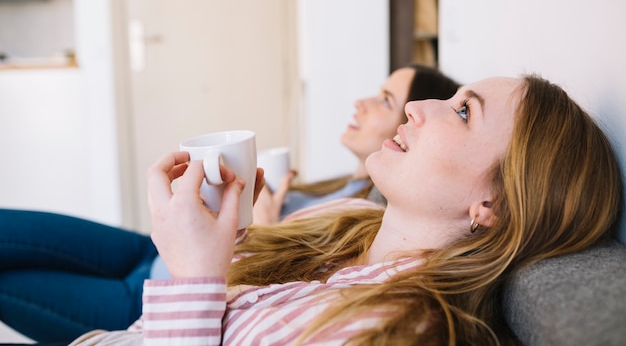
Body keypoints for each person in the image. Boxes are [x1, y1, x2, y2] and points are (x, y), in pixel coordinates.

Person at [68, 74, 622, 345]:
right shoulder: (342, 234)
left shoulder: (400, 328)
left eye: (461, 113)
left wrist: (193, 277)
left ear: (492, 204)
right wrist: (224, 243)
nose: (415, 107)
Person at [0, 66, 458, 343]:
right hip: (154, 254)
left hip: (148, 301)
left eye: (384, 100)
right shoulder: (342, 194)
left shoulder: (376, 218)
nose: (361, 102)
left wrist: (260, 223)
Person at [253, 64, 460, 224]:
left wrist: (264, 226)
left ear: (409, 128)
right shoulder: (342, 186)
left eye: (386, 101)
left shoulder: (367, 212)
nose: (360, 102)